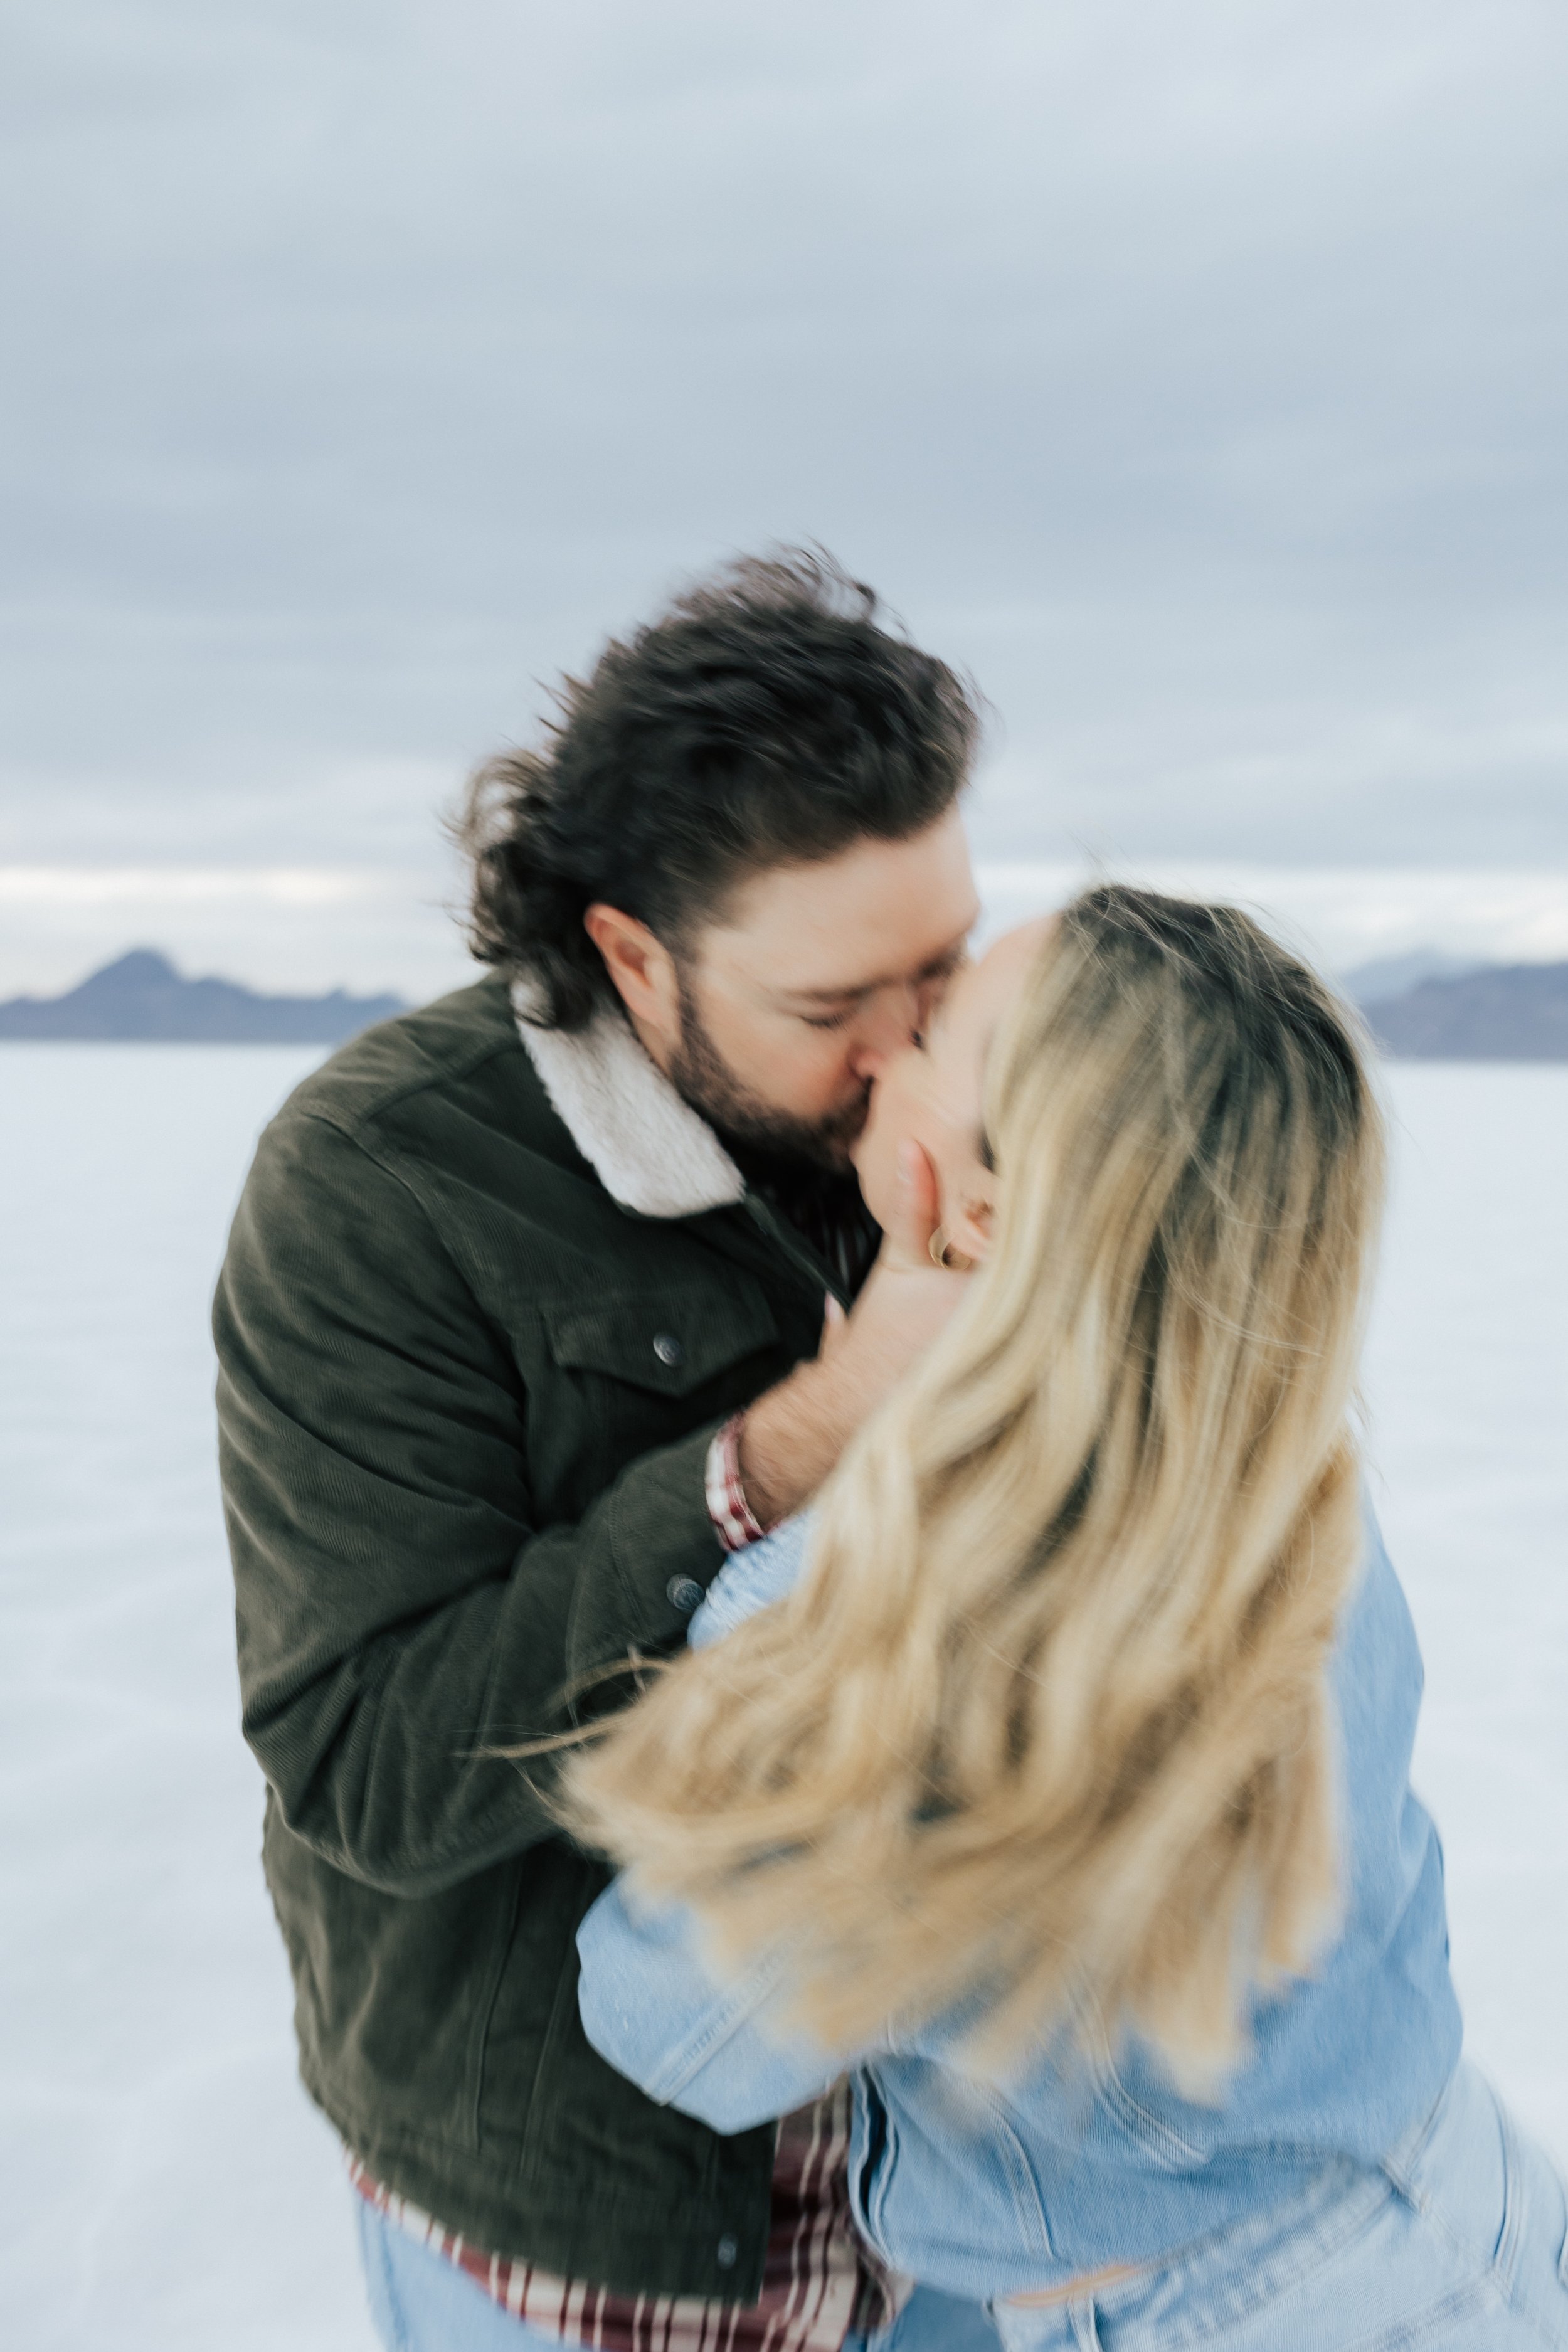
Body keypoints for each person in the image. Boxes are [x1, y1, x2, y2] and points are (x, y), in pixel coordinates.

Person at [568, 886, 1568, 2349]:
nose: (884, 1045)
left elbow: (680, 2032)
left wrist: (818, 1517)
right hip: (1460, 2207)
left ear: (977, 1207)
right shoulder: (1287, 1477)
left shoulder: (922, 1622)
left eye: (941, 1026)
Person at [213, 550, 993, 2350]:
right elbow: (374, 1767)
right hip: (590, 2219)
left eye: (940, 968)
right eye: (829, 1012)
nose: (911, 1055)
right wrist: (802, 1437)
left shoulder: (974, 1094)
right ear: (631, 955)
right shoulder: (381, 1185)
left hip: (951, 2161)